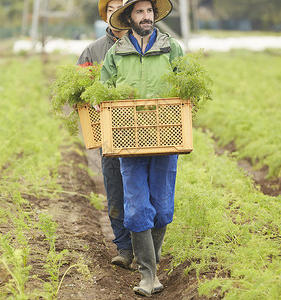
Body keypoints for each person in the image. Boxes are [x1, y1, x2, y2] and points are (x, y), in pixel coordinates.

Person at [100, 0, 184, 296]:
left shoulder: (172, 48)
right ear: (130, 18)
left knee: (161, 206)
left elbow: (186, 87)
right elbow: (103, 93)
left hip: (166, 139)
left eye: (149, 11)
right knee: (136, 208)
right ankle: (148, 275)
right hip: (129, 141)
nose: (146, 16)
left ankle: (154, 262)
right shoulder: (116, 54)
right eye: (139, 12)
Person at [76, 0, 135, 270]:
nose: (116, 13)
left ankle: (145, 246)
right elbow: (78, 91)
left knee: (141, 188)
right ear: (105, 16)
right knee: (115, 186)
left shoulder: (143, 45)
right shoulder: (93, 51)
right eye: (111, 9)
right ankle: (124, 248)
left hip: (140, 130)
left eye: (122, 7)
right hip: (108, 133)